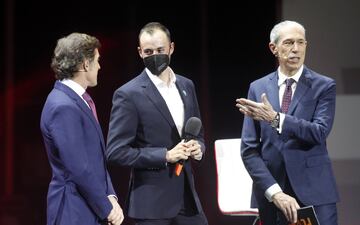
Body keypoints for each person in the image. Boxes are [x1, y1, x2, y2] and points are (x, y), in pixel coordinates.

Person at [235, 20, 339, 225]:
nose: (296, 49)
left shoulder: (324, 86)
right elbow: (249, 149)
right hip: (274, 196)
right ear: (273, 48)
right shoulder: (258, 88)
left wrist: (276, 119)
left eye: (301, 43)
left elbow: (319, 132)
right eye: (289, 43)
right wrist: (275, 193)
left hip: (315, 194)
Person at [106, 22, 208, 225]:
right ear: (140, 52)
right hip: (152, 205)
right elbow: (115, 152)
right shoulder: (128, 94)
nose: (155, 55)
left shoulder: (187, 85)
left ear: (171, 48)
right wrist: (166, 155)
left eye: (160, 50)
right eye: (149, 51)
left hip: (188, 201)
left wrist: (199, 148)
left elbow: (198, 133)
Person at [40, 33, 124, 225]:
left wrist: (110, 194)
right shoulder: (63, 106)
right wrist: (106, 207)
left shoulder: (78, 99)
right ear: (86, 64)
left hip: (86, 208)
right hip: (73, 212)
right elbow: (79, 168)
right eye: (97, 60)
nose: (100, 66)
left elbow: (95, 160)